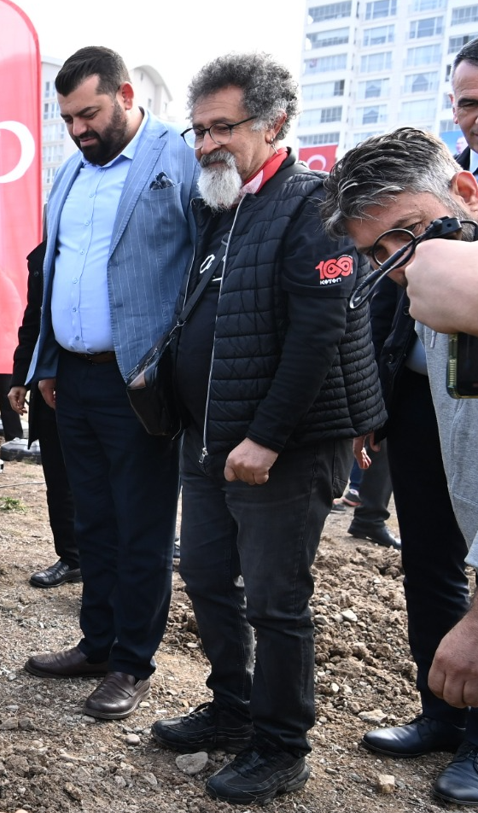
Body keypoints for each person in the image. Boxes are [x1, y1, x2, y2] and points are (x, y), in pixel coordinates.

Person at [148, 53, 384, 806]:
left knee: (275, 600)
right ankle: (232, 706)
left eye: (223, 127)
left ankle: (281, 746)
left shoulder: (311, 204)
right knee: (208, 577)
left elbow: (318, 335)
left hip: (278, 450)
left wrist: (268, 438)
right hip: (211, 441)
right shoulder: (222, 209)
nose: (207, 144)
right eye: (198, 130)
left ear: (275, 123)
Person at [22, 46, 195, 721]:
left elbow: (198, 270)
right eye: (66, 118)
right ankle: (96, 643)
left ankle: (130, 660)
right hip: (73, 377)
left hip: (139, 382)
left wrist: (173, 365)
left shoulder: (175, 160)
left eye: (88, 113)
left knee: (141, 528)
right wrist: (44, 362)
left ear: (124, 94)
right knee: (91, 520)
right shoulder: (69, 173)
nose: (77, 129)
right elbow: (52, 272)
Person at [321, 125, 478, 805]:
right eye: (377, 251)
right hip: (421, 412)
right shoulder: (424, 279)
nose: (401, 262)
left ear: (464, 191)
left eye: (408, 232)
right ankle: (444, 715)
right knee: (430, 560)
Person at [8, 242, 78, 588]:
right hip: (50, 381)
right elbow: (32, 319)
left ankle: (105, 566)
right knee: (58, 477)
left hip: (101, 381)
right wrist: (21, 377)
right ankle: (71, 557)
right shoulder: (42, 256)